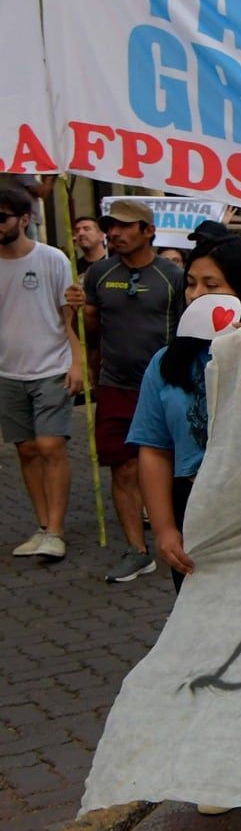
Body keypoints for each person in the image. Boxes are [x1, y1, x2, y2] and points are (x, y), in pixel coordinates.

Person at [127, 235, 241, 591]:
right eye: (190, 283)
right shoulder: (165, 364)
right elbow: (155, 449)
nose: (195, 294)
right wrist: (166, 528)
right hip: (195, 507)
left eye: (211, 285)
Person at [74, 199, 185, 583]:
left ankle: (177, 534)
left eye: (124, 226)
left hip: (164, 385)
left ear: (148, 230)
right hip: (115, 386)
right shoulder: (99, 274)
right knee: (122, 468)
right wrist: (81, 319)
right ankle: (137, 550)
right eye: (111, 227)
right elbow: (90, 330)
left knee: (170, 468)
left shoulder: (172, 276)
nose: (115, 233)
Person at [1, 188, 83, 561]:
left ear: (23, 219)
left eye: (2, 217)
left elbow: (69, 318)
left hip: (51, 365)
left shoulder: (52, 259)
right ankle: (41, 525)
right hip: (8, 370)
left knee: (51, 446)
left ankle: (56, 529)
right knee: (27, 449)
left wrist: (77, 362)